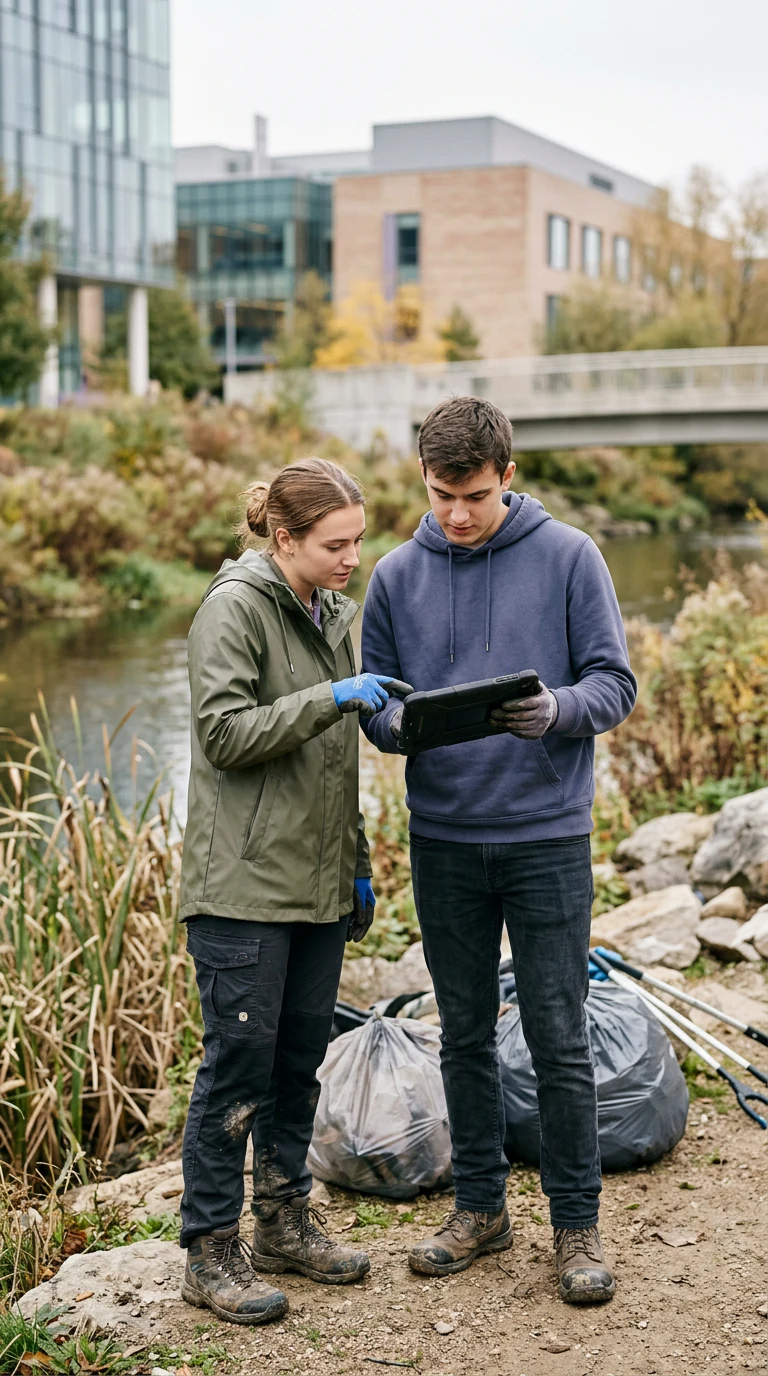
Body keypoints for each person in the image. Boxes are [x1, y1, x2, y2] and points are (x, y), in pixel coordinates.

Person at [361, 397, 637, 1304]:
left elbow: (615, 684)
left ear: (508, 477)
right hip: (444, 840)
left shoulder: (570, 557)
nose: (456, 514)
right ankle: (480, 1209)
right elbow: (382, 714)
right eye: (440, 494)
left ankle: (575, 1226)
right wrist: (405, 725)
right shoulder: (396, 575)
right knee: (465, 1036)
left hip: (548, 836)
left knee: (560, 1037)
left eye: (473, 494)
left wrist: (557, 710)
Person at [179, 457, 394, 1326]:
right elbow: (224, 734)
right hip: (241, 889)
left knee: (298, 1064)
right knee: (235, 1069)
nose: (352, 559)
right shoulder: (231, 609)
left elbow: (334, 765)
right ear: (284, 538)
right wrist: (329, 695)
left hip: (315, 884)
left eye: (356, 543)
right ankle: (209, 1252)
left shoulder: (332, 611)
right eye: (335, 545)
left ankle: (281, 1224)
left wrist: (358, 862)